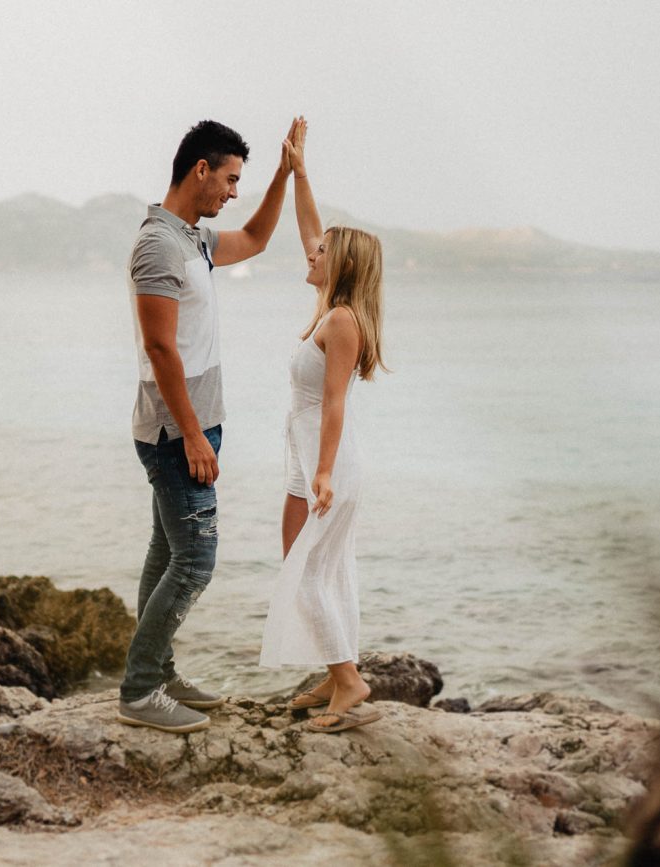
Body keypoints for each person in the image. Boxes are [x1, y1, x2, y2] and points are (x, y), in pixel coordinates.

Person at [119, 119, 296, 733]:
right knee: (196, 561)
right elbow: (161, 349)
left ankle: (159, 672)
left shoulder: (191, 239)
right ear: (200, 170)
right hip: (175, 431)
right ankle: (140, 690)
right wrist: (192, 434)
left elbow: (255, 237)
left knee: (167, 550)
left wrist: (285, 175)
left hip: (194, 424)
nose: (232, 192)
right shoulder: (158, 245)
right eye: (230, 179)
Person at [259, 118, 389, 733]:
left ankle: (348, 681)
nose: (310, 254)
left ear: (338, 265)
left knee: (310, 569)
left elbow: (334, 403)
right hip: (303, 452)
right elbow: (310, 228)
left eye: (321, 252)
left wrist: (325, 472)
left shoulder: (341, 322)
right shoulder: (328, 306)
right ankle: (334, 668)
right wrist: (300, 172)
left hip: (325, 458)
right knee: (315, 565)